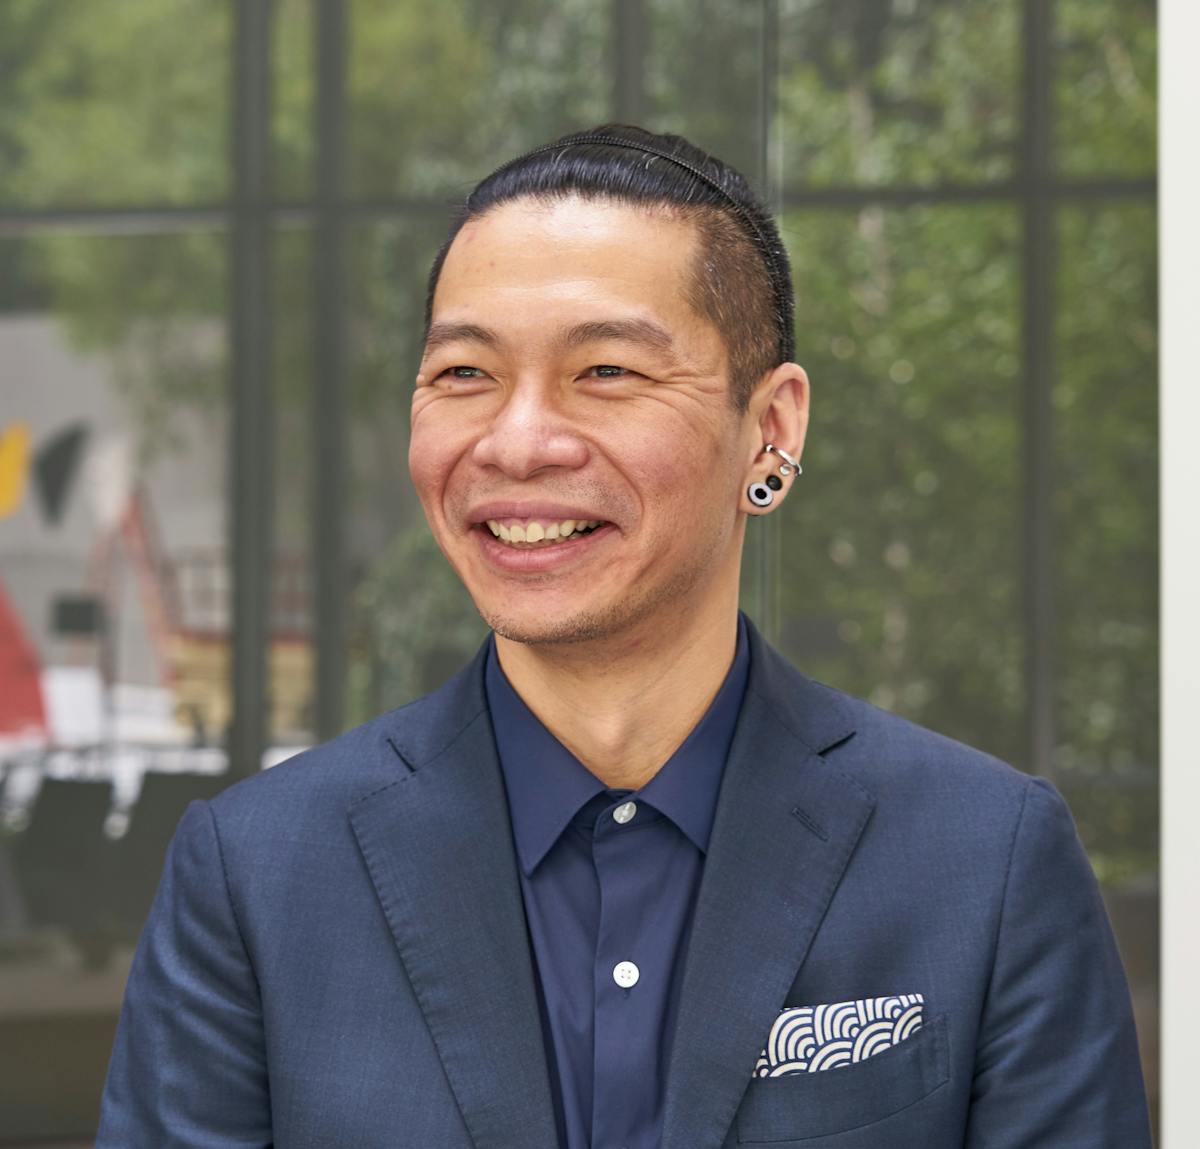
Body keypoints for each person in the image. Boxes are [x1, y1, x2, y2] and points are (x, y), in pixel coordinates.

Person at [96, 124, 1152, 1149]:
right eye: (465, 373)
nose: (517, 442)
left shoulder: (987, 860)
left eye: (606, 371)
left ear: (771, 430)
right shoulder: (258, 876)